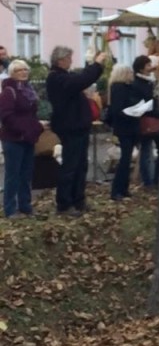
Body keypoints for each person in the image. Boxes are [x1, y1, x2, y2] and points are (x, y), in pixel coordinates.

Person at [45, 45, 107, 216]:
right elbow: (81, 81)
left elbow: (82, 79)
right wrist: (96, 65)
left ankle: (78, 199)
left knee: (80, 165)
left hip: (78, 126)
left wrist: (96, 67)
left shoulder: (64, 76)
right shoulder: (56, 78)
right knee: (70, 166)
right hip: (70, 127)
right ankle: (64, 203)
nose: (71, 61)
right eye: (69, 58)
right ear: (61, 60)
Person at [0, 59, 45, 217]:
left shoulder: (28, 90)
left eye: (25, 69)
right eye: (20, 70)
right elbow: (6, 116)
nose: (24, 72)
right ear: (13, 73)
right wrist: (25, 129)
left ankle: (26, 206)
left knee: (26, 174)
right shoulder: (8, 91)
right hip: (13, 139)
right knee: (13, 175)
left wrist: (36, 127)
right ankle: (10, 209)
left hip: (28, 138)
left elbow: (31, 114)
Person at [106, 63, 144, 201]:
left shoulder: (123, 88)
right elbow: (119, 110)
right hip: (125, 127)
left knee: (126, 159)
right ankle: (118, 189)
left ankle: (123, 188)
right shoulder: (119, 89)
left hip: (128, 127)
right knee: (125, 159)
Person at [131, 54, 159, 188]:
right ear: (141, 68)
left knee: (157, 150)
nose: (151, 68)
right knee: (147, 151)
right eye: (148, 65)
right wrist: (157, 111)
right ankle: (149, 181)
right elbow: (144, 103)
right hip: (147, 120)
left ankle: (156, 178)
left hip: (154, 118)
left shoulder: (150, 81)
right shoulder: (138, 84)